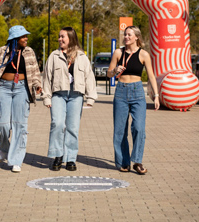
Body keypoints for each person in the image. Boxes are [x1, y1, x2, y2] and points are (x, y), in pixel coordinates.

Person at [0, 25, 42, 173]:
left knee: (20, 125)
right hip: (3, 88)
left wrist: (37, 85)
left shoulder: (29, 52)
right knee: (2, 124)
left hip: (22, 89)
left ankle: (16, 160)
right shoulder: (1, 52)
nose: (26, 39)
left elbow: (35, 72)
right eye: (23, 36)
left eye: (26, 36)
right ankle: (4, 147)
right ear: (14, 38)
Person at [42, 27, 97, 171]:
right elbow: (47, 78)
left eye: (63, 37)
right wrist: (46, 97)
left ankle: (71, 159)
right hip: (58, 95)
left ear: (71, 38)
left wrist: (90, 97)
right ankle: (58, 155)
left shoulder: (82, 57)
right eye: (59, 37)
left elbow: (89, 77)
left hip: (76, 96)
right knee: (57, 124)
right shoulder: (54, 56)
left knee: (73, 128)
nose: (60, 39)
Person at [107, 25, 160, 175]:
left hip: (137, 93)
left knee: (138, 128)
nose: (126, 37)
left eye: (129, 35)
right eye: (125, 35)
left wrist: (156, 96)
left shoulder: (144, 55)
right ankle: (123, 162)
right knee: (119, 130)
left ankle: (137, 161)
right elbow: (108, 74)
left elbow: (151, 76)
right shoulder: (118, 52)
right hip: (121, 92)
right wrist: (114, 71)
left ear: (137, 37)